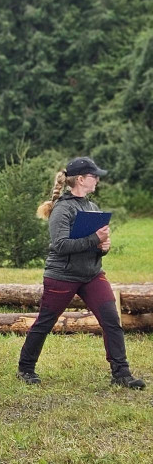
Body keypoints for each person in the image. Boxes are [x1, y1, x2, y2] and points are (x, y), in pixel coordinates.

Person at [17, 157, 145, 389]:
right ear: (81, 179)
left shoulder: (91, 207)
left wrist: (103, 248)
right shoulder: (62, 209)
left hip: (92, 274)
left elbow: (95, 244)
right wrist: (96, 239)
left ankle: (121, 373)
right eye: (94, 176)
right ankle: (25, 368)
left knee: (111, 321)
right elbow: (61, 245)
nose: (97, 180)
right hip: (62, 276)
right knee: (46, 322)